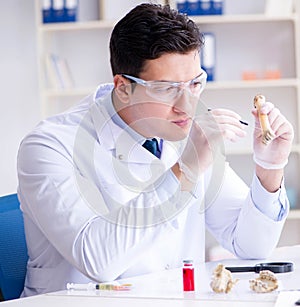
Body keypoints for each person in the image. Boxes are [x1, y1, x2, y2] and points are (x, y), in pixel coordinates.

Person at [17, 3, 293, 297]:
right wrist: (186, 168)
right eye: (167, 89)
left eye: (195, 83)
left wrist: (269, 169)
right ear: (123, 87)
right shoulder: (48, 146)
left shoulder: (186, 132)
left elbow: (251, 245)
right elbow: (97, 260)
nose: (188, 104)